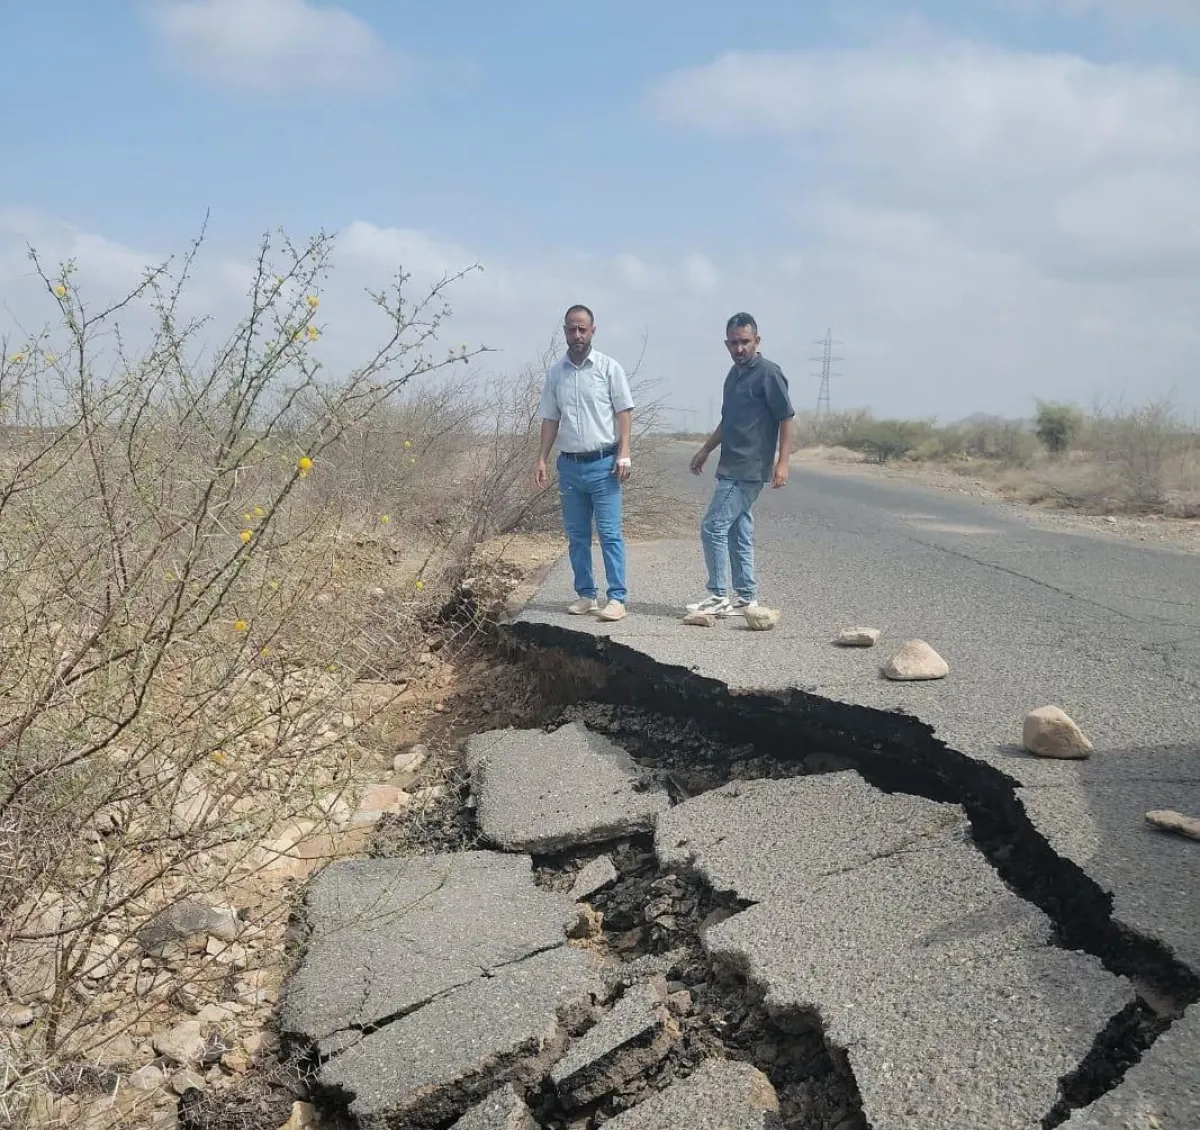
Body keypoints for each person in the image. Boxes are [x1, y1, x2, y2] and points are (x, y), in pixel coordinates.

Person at [687, 312, 794, 617]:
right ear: (727, 344)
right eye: (734, 343)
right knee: (737, 531)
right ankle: (747, 599)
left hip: (749, 467)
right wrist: (706, 449)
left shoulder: (769, 374)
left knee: (713, 526)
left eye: (745, 342)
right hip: (729, 465)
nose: (739, 348)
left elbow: (786, 418)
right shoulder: (733, 376)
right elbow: (728, 420)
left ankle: (718, 595)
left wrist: (782, 463)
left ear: (757, 341)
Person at [535, 304, 634, 622]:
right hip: (570, 466)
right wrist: (541, 458)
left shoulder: (608, 368)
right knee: (577, 535)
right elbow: (551, 418)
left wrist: (625, 452)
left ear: (593, 331)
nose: (576, 335)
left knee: (609, 533)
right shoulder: (556, 373)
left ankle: (617, 597)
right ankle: (586, 595)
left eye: (582, 329)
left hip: (604, 465)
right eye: (570, 329)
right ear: (564, 332)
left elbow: (624, 412)